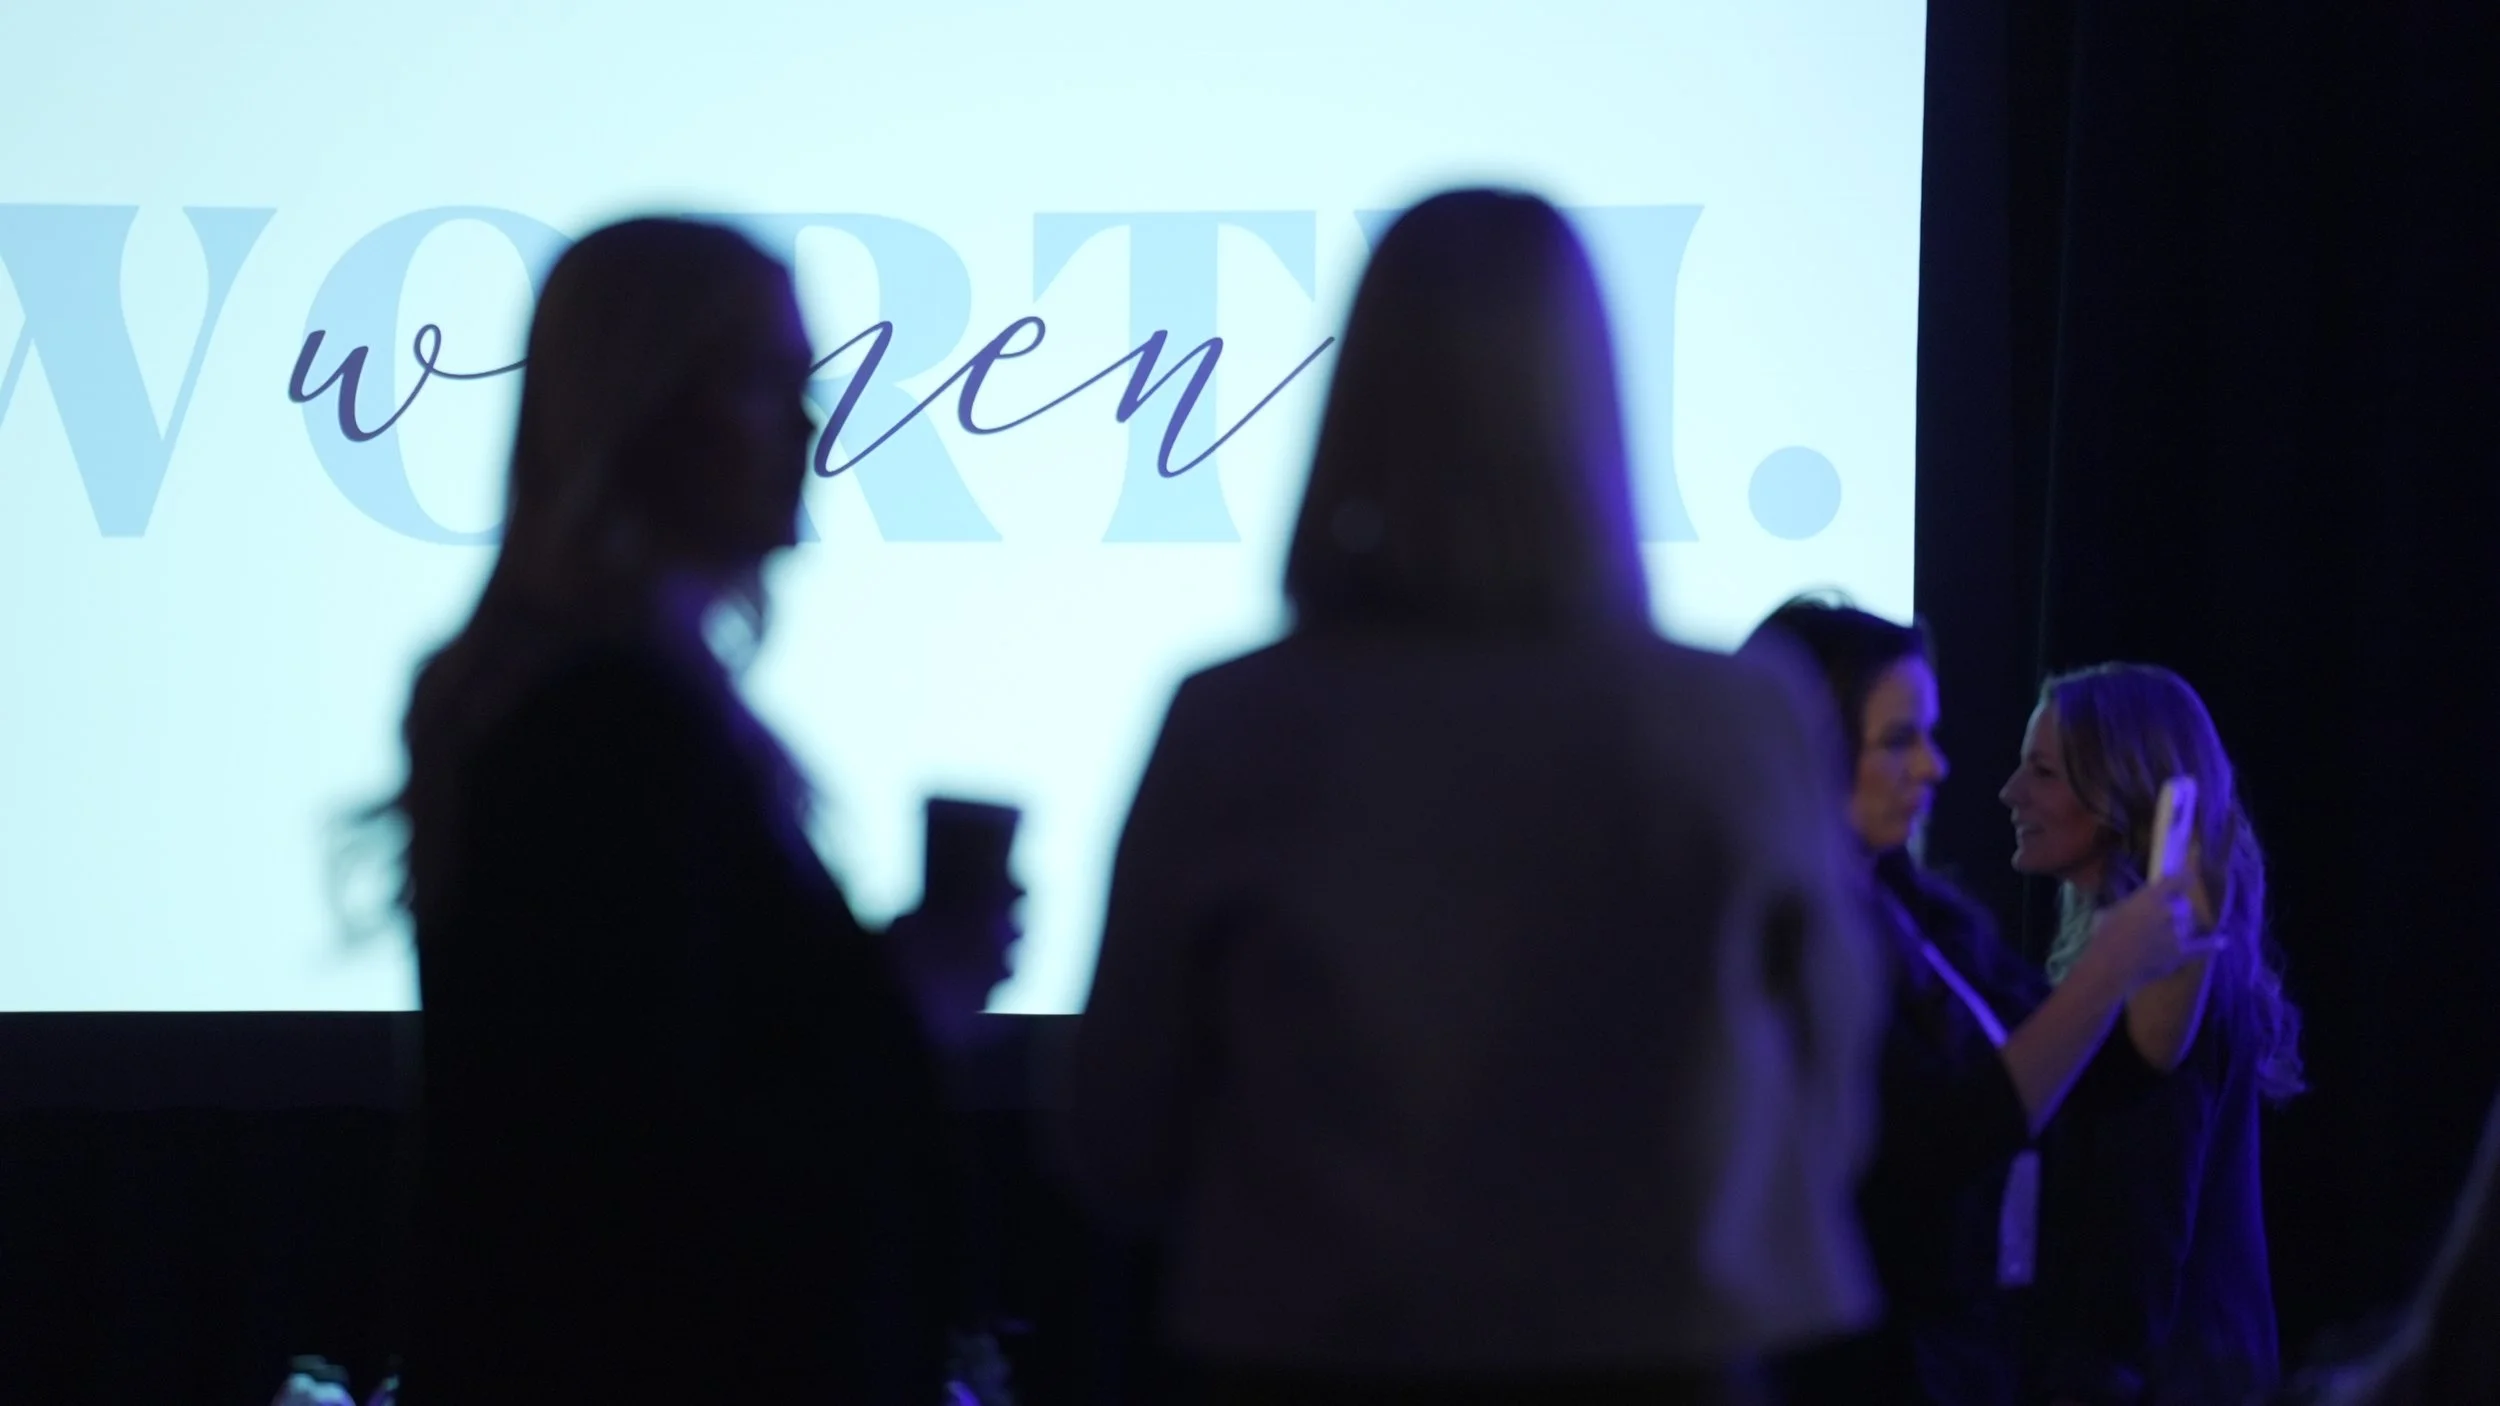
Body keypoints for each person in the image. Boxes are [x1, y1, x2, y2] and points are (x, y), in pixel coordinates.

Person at [1059, 188, 1886, 1406]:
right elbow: (1826, 1115)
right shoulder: (1737, 723)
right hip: (1664, 1369)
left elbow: (1118, 1133)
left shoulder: (1238, 723)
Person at [379, 218, 1012, 1406]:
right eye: (762, 382)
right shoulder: (603, 729)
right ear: (638, 410)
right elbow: (644, 1155)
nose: (811, 427)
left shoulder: (585, 705)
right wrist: (908, 999)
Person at [1741, 600, 2217, 1406]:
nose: (1935, 767)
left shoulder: (1917, 911)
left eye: (1928, 735)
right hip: (1860, 1366)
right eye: (1900, 740)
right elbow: (1938, 1138)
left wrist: (2169, 922)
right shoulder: (1779, 931)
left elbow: (2098, 1074)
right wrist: (2110, 966)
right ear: (1807, 745)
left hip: (1967, 1357)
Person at [2003, 663, 2303, 1406]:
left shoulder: (2170, 976)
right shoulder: (2131, 964)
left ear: (2120, 792)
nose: (2011, 792)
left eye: (2043, 772)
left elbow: (2141, 1236)